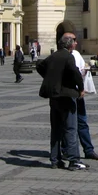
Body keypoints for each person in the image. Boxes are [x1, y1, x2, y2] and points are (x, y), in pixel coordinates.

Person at [37, 34, 87, 171]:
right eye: (74, 43)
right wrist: (81, 88)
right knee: (70, 128)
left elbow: (40, 66)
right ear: (70, 45)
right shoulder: (68, 56)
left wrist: (51, 79)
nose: (76, 44)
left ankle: (55, 160)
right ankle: (73, 160)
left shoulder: (53, 56)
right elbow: (75, 73)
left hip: (54, 97)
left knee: (56, 130)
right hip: (67, 96)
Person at [70, 37, 98, 161]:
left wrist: (86, 70)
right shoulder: (62, 56)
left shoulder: (77, 54)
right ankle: (67, 151)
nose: (77, 42)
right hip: (69, 94)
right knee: (68, 125)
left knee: (82, 123)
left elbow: (82, 68)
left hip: (79, 94)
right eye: (74, 40)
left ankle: (89, 150)